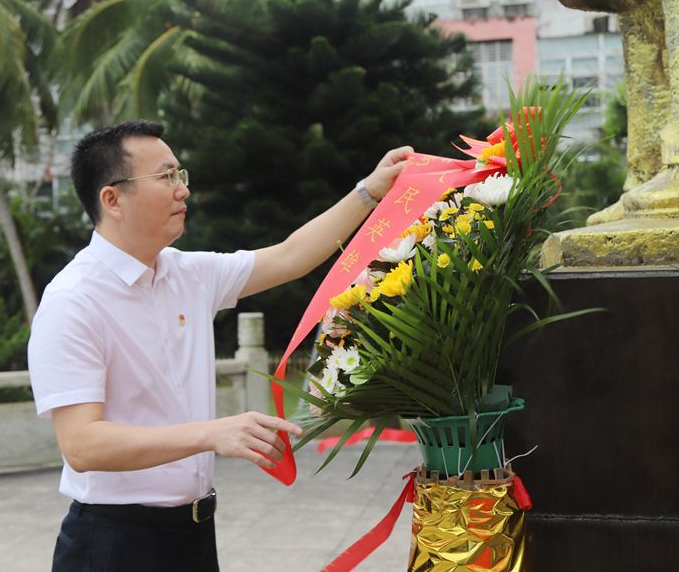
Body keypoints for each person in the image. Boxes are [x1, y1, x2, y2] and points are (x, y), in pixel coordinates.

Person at [28, 120, 412, 572]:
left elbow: (290, 256)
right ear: (112, 199)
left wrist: (369, 191)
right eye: (165, 176)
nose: (183, 190)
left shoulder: (186, 273)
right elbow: (82, 445)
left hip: (193, 533)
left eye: (180, 174)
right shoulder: (73, 299)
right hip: (114, 544)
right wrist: (211, 434)